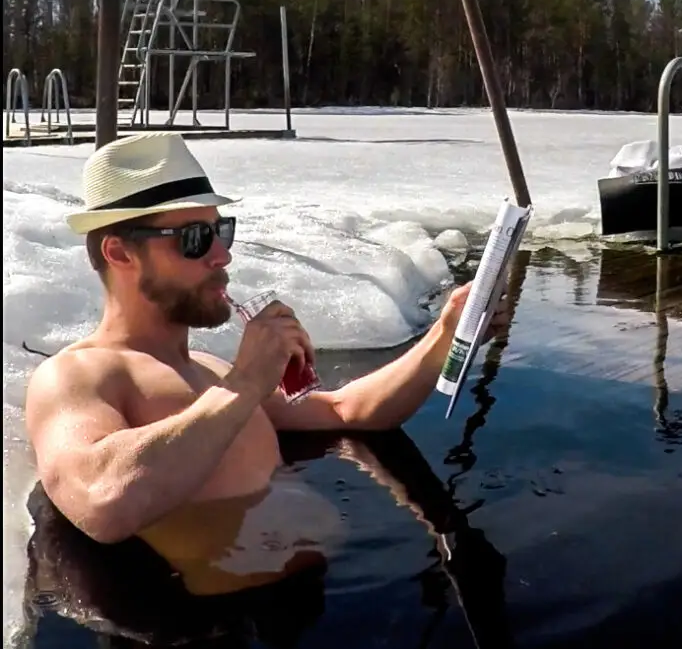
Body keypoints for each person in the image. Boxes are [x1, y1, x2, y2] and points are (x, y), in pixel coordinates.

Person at [24, 131, 508, 550]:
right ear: (119, 253)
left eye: (222, 232)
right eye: (194, 238)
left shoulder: (206, 369)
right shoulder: (75, 376)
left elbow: (345, 411)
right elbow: (103, 500)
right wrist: (246, 384)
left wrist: (446, 332)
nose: (221, 256)